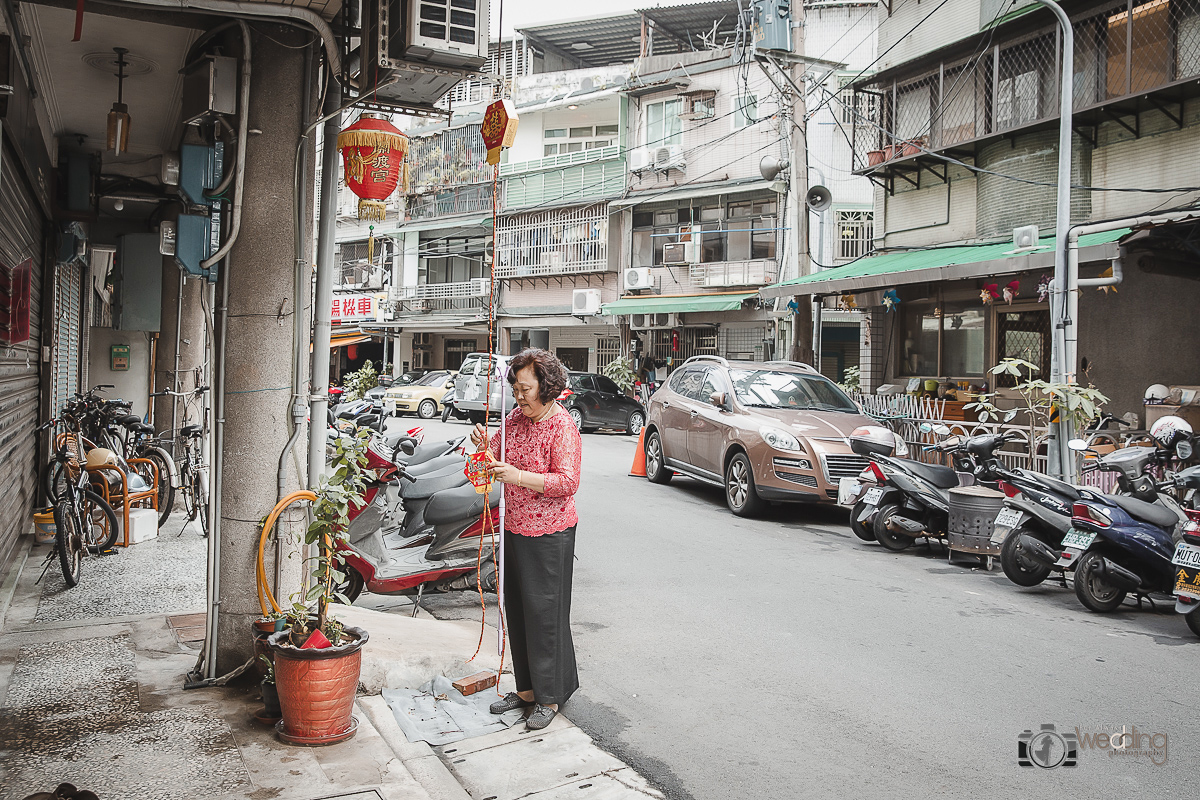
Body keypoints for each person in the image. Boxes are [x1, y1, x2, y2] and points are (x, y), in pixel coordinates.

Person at [470, 348, 583, 731]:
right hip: (515, 527)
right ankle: (527, 691)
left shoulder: (562, 427)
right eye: (515, 388)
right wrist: (484, 446)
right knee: (517, 610)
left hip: (550, 534)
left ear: (546, 388)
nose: (518, 397)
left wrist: (517, 476)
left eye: (525, 389)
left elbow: (567, 482)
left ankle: (550, 698)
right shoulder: (516, 418)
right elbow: (497, 455)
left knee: (545, 616)